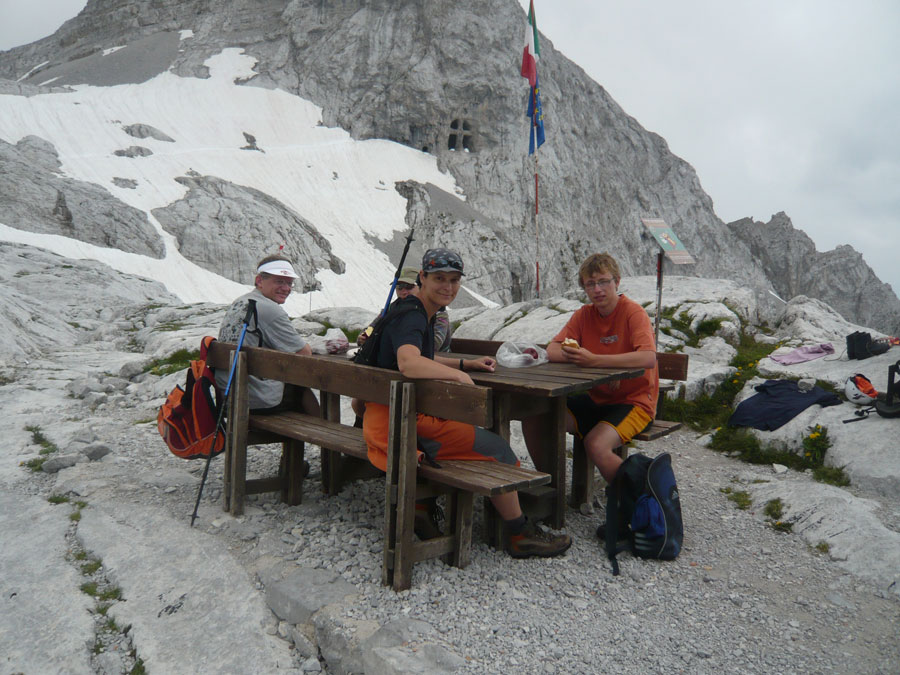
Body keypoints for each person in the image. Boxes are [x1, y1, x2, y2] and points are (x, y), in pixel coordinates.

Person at [361, 247, 572, 558]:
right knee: (498, 449)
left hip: (386, 417)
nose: (447, 286)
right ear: (422, 278)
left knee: (468, 429)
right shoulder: (414, 317)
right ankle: (519, 534)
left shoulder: (406, 308)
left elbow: (422, 358)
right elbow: (408, 362)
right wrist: (461, 380)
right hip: (400, 428)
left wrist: (464, 365)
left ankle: (423, 506)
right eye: (439, 279)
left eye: (454, 280)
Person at [523, 252, 658, 487]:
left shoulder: (633, 312)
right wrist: (578, 356)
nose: (598, 289)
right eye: (590, 284)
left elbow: (647, 358)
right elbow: (552, 350)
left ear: (617, 281)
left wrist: (595, 360)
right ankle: (548, 487)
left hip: (635, 403)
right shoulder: (584, 315)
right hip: (597, 400)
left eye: (603, 281)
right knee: (534, 415)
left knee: (595, 444)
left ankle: (642, 501)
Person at [216, 254, 320, 420]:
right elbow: (304, 354)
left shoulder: (240, 302)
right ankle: (328, 438)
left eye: (289, 283)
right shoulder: (270, 309)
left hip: (227, 395)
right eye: (279, 281)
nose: (286, 288)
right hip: (255, 400)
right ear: (259, 281)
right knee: (301, 386)